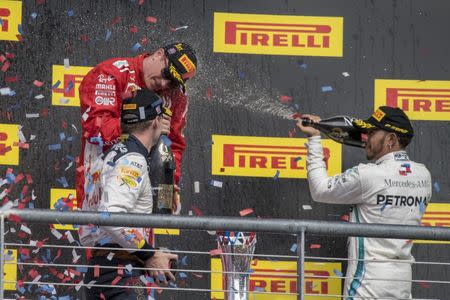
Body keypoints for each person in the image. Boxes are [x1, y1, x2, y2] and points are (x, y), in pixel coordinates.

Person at [297, 106, 432, 300]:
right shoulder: (423, 175)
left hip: (367, 282)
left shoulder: (368, 174)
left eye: (372, 132)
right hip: (402, 281)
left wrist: (314, 139)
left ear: (391, 140)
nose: (365, 137)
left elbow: (320, 190)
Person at [77, 42, 198, 214]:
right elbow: (95, 131)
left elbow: (174, 147)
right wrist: (143, 121)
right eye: (166, 74)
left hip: (145, 188)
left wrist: (168, 186)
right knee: (105, 237)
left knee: (137, 239)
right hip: (101, 181)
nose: (164, 84)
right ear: (158, 54)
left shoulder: (177, 96)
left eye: (172, 82)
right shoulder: (111, 73)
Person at [79, 89, 178, 299]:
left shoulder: (106, 156)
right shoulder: (133, 160)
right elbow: (110, 214)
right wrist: (149, 253)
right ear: (155, 122)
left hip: (99, 270)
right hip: (121, 274)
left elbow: (88, 231)